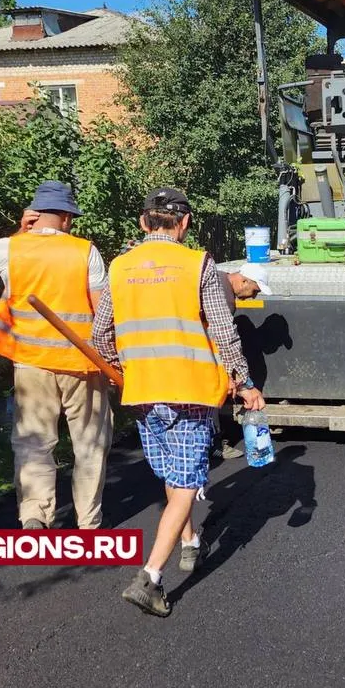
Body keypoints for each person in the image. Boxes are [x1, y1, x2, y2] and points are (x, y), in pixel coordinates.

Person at [92, 187, 265, 617]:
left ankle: (189, 541)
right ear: (184, 223)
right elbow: (223, 330)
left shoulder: (120, 266)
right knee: (186, 483)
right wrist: (244, 382)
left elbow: (100, 334)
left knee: (173, 474)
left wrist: (122, 367)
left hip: (142, 391)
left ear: (142, 221)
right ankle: (150, 578)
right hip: (189, 390)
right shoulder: (197, 264)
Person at [0, 181, 113, 531]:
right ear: (68, 218)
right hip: (82, 364)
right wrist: (112, 360)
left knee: (33, 443)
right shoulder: (86, 252)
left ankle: (35, 514)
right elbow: (103, 313)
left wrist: (20, 230)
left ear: (34, 214)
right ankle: (89, 522)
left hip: (30, 363)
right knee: (89, 444)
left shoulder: (6, 249)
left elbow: (6, 256)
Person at [210, 262, 273, 461]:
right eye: (254, 290)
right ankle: (213, 444)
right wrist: (238, 380)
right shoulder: (224, 297)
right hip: (200, 356)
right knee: (210, 396)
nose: (253, 296)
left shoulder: (217, 277)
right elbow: (222, 340)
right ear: (244, 281)